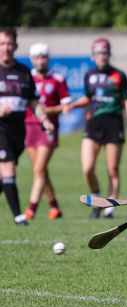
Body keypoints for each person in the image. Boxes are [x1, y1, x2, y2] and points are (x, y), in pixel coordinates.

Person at [63, 38, 127, 219]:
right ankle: (96, 197)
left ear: (109, 54)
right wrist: (73, 105)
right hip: (93, 124)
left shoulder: (119, 75)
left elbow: (126, 101)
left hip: (113, 123)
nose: (102, 56)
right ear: (93, 55)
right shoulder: (89, 74)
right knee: (87, 168)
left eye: (104, 53)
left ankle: (110, 207)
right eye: (98, 53)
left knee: (112, 169)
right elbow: (88, 98)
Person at [0, 27, 53, 225]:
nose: (6, 48)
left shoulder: (24, 72)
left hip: (17, 130)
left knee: (3, 174)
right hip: (0, 129)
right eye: (2, 44)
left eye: (9, 44)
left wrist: (45, 120)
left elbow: (33, 101)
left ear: (15, 46)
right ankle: (18, 216)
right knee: (7, 170)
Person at [24, 43, 71, 221]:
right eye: (37, 57)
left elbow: (65, 107)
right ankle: (54, 207)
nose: (41, 61)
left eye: (44, 57)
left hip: (48, 128)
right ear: (32, 60)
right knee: (40, 172)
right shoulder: (27, 78)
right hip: (29, 127)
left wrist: (45, 111)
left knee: (39, 169)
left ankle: (31, 208)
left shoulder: (57, 78)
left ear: (48, 59)